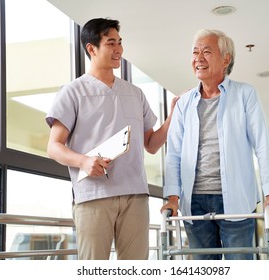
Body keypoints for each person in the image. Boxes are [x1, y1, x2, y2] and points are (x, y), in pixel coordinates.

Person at [46, 18, 178, 260]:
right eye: (110, 43)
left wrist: (172, 119)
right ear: (91, 48)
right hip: (93, 196)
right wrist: (84, 161)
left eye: (119, 42)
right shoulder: (72, 92)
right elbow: (54, 147)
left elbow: (151, 144)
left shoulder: (135, 93)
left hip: (135, 195)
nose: (118, 49)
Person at [161, 29, 269, 260]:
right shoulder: (183, 103)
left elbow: (262, 144)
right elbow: (174, 154)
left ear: (226, 59)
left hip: (236, 199)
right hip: (194, 202)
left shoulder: (245, 94)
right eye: (195, 52)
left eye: (207, 52)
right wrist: (172, 197)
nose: (198, 58)